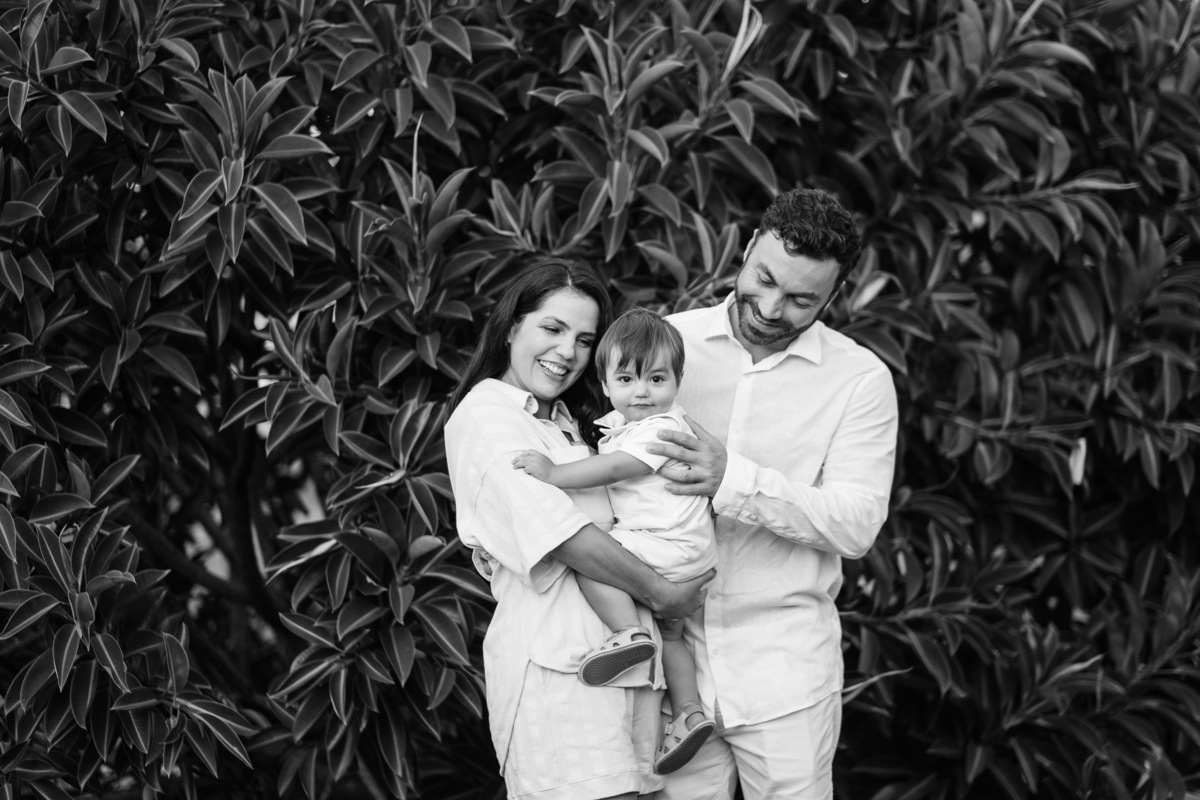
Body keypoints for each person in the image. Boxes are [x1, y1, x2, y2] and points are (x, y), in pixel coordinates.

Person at [647, 188, 900, 799]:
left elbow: (857, 524)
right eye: (763, 280)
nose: (769, 307)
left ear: (835, 295)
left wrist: (733, 479)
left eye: (800, 300)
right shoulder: (666, 344)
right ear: (747, 250)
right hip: (670, 673)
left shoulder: (860, 380)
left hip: (786, 676)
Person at [444, 258, 715, 800]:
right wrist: (664, 593)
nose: (567, 351)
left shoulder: (571, 424)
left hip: (626, 679)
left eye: (585, 340)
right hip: (561, 678)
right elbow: (562, 535)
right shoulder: (487, 414)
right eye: (552, 328)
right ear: (511, 327)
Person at [511, 308, 719, 776]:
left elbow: (615, 469)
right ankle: (689, 714)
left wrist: (554, 473)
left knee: (592, 558)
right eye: (626, 379)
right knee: (674, 635)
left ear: (678, 381)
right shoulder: (632, 425)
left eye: (656, 379)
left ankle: (628, 632)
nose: (641, 391)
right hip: (688, 552)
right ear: (605, 385)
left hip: (665, 544)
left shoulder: (658, 430)